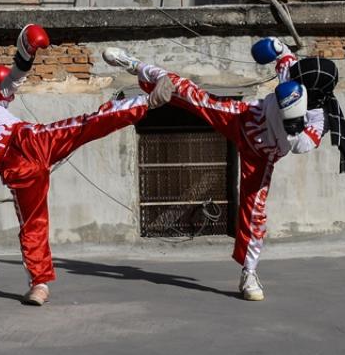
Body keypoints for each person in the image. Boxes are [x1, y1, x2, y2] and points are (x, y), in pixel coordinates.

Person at [0, 24, 174, 306]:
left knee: (32, 225)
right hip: (29, 143)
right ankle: (145, 102)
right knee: (85, 125)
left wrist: (24, 53)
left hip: (18, 169)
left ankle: (39, 285)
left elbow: (11, 83)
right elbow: (13, 80)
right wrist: (25, 53)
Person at [102, 37, 332, 301]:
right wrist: (277, 47)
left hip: (262, 155)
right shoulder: (294, 76)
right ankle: (135, 65)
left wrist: (295, 124)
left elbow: (302, 146)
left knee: (255, 212)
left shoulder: (320, 116)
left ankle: (249, 272)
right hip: (243, 117)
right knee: (187, 91)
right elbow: (284, 57)